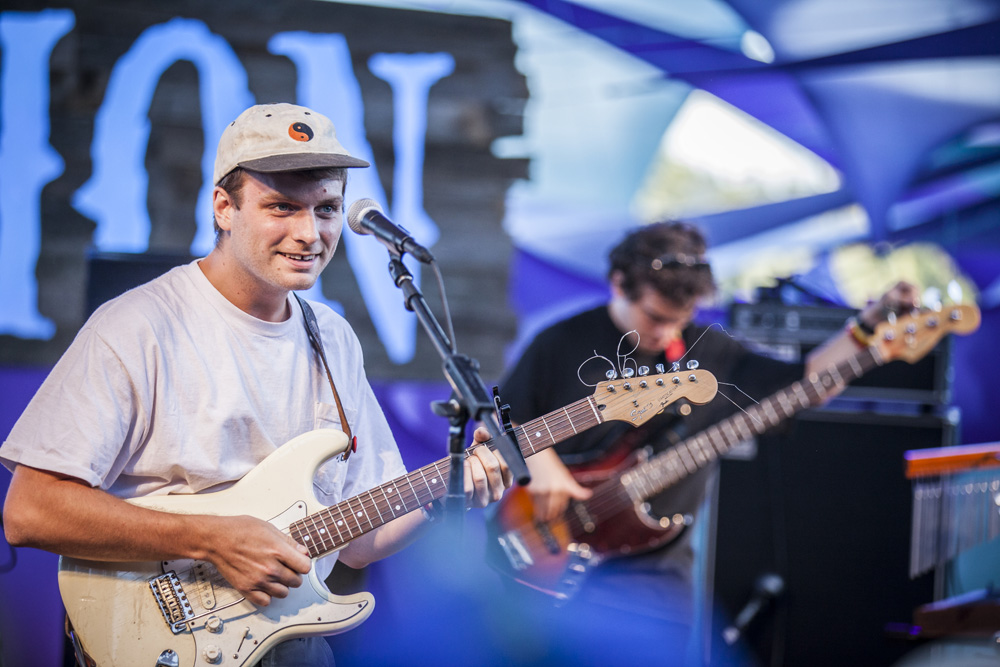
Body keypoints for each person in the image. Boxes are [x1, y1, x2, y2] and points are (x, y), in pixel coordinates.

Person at [0, 103, 511, 665]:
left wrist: (449, 491)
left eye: (326, 208)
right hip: (158, 642)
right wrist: (212, 538)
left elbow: (359, 544)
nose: (309, 233)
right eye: (282, 207)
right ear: (224, 207)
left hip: (290, 641)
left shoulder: (332, 338)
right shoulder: (139, 324)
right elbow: (30, 511)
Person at [495, 221, 917, 665]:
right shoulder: (561, 341)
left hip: (652, 574)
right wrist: (541, 464)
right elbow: (504, 419)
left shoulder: (711, 353)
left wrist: (868, 326)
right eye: (655, 317)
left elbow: (808, 383)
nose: (666, 333)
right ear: (618, 284)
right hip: (547, 547)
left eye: (680, 320)